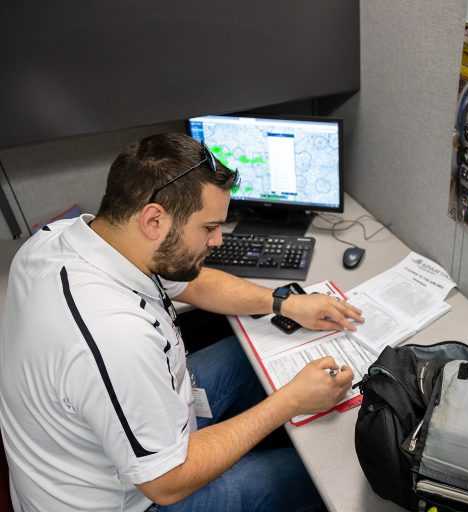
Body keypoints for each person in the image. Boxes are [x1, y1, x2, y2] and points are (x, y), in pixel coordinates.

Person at [0, 133, 364, 512]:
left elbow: (195, 282)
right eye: (208, 228)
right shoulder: (113, 336)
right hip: (134, 498)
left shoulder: (63, 238)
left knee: (251, 356)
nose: (218, 240)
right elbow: (166, 483)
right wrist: (289, 402)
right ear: (154, 219)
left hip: (116, 435)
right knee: (320, 475)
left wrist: (284, 304)